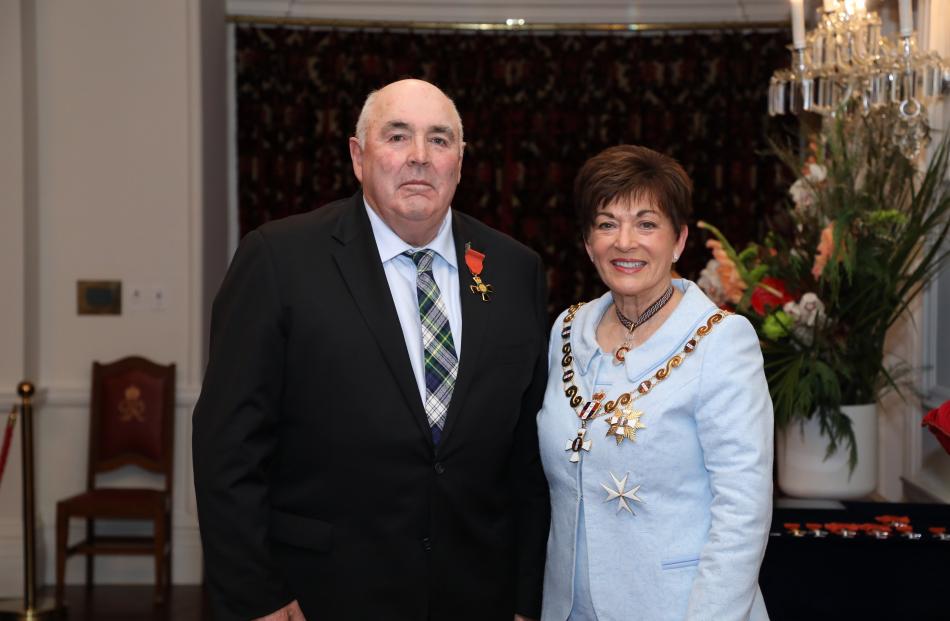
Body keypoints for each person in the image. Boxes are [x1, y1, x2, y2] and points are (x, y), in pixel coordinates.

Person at [193, 79, 550, 621]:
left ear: (459, 160)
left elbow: (528, 458)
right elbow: (228, 450)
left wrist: (527, 597)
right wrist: (255, 595)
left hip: (478, 594)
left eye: (439, 139)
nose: (419, 158)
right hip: (319, 595)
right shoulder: (278, 259)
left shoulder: (514, 268)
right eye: (397, 136)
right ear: (359, 157)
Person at [537, 145, 773, 620]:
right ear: (587, 242)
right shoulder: (567, 330)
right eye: (607, 224)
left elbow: (742, 512)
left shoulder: (721, 342)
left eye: (647, 224)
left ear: (679, 240)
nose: (625, 242)